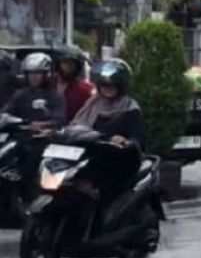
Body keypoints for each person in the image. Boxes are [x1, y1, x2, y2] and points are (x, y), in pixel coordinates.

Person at [70, 59, 145, 208]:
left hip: (117, 159)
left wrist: (124, 141)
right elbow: (76, 126)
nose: (107, 89)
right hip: (89, 154)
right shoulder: (92, 105)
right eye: (104, 85)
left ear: (120, 87)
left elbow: (137, 139)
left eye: (112, 86)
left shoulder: (130, 109)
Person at [1, 52, 66, 126]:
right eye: (30, 73)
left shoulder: (55, 97)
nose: (33, 77)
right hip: (19, 134)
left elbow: (59, 119)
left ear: (46, 74)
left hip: (44, 135)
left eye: (37, 73)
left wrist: (43, 124)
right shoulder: (21, 95)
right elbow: (7, 112)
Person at [55, 45, 95, 123]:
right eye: (65, 63)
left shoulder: (86, 90)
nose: (68, 67)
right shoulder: (47, 86)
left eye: (72, 64)